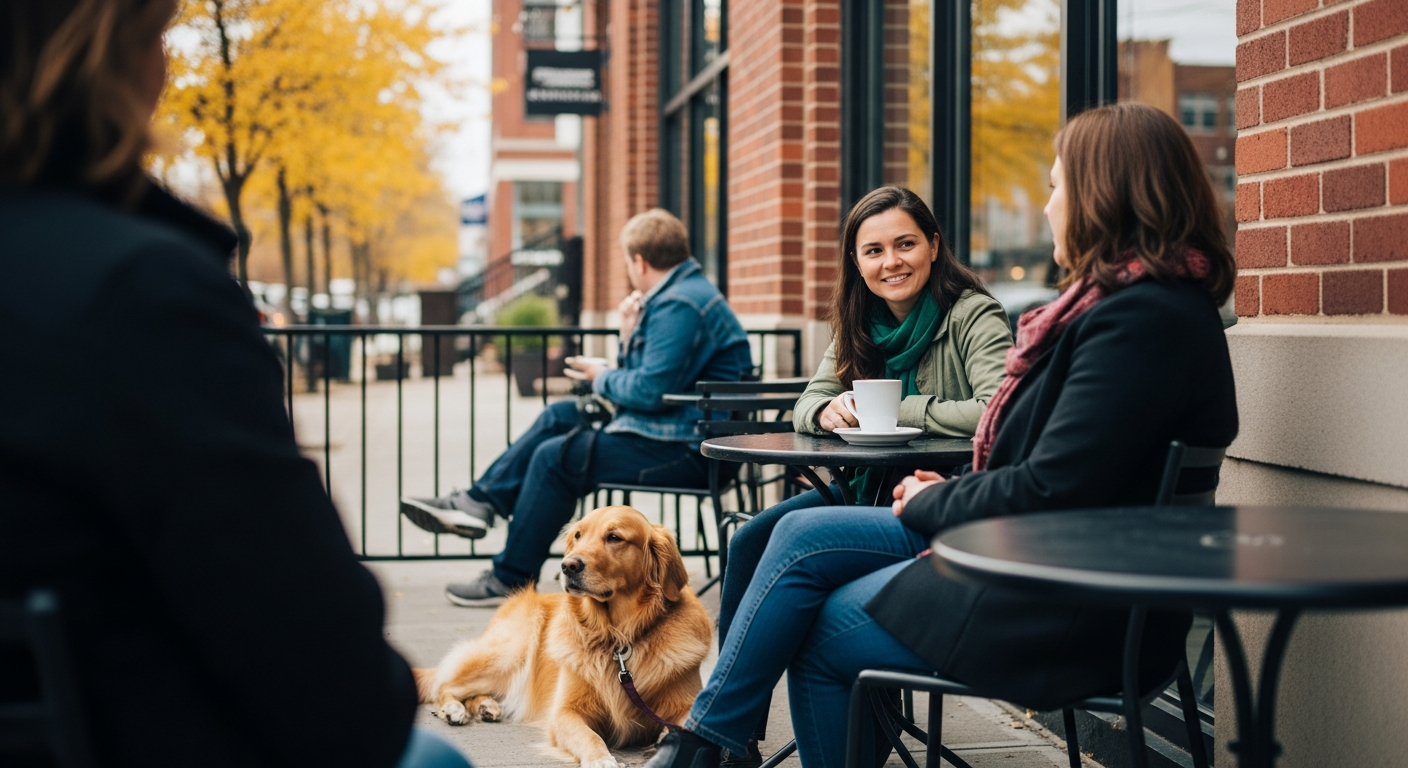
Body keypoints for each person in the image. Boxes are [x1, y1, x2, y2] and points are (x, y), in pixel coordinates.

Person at [645, 102, 1239, 768]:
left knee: (809, 613)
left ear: (1106, 195)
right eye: (872, 250)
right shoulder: (1135, 312)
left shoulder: (1140, 324)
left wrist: (936, 500)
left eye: (1055, 186)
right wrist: (952, 486)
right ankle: (706, 741)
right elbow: (1061, 466)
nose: (1047, 207)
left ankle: (698, 744)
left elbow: (1050, 482)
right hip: (1039, 557)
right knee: (784, 537)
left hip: (1060, 601)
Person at [0, 2, 469, 767]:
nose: (169, 67)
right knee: (432, 758)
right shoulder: (143, 292)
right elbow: (335, 682)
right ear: (105, 58)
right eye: (158, 36)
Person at [709, 186, 1012, 764]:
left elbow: (996, 409)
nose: (890, 261)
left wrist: (897, 408)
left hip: (938, 498)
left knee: (799, 561)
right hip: (866, 489)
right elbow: (807, 402)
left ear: (934, 246)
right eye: (873, 251)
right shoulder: (857, 318)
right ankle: (738, 737)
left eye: (905, 244)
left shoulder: (973, 313)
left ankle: (738, 729)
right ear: (856, 261)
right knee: (750, 539)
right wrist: (824, 410)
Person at [399, 209, 753, 606]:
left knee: (556, 459)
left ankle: (509, 578)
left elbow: (649, 390)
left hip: (690, 451)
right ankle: (479, 503)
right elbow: (653, 380)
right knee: (560, 415)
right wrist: (627, 334)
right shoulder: (684, 294)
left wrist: (602, 375)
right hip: (677, 431)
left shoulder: (680, 304)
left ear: (639, 261)